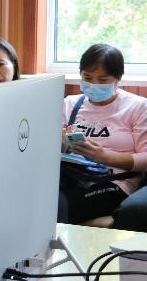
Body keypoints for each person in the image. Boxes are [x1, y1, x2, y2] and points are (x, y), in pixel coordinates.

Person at [59, 44, 147, 230]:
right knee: (45, 198)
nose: (93, 85)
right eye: (87, 78)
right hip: (73, 176)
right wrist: (62, 141)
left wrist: (104, 157)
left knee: (60, 206)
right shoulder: (70, 104)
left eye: (102, 80)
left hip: (114, 182)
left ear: (117, 80)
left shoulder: (137, 107)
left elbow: (145, 158)